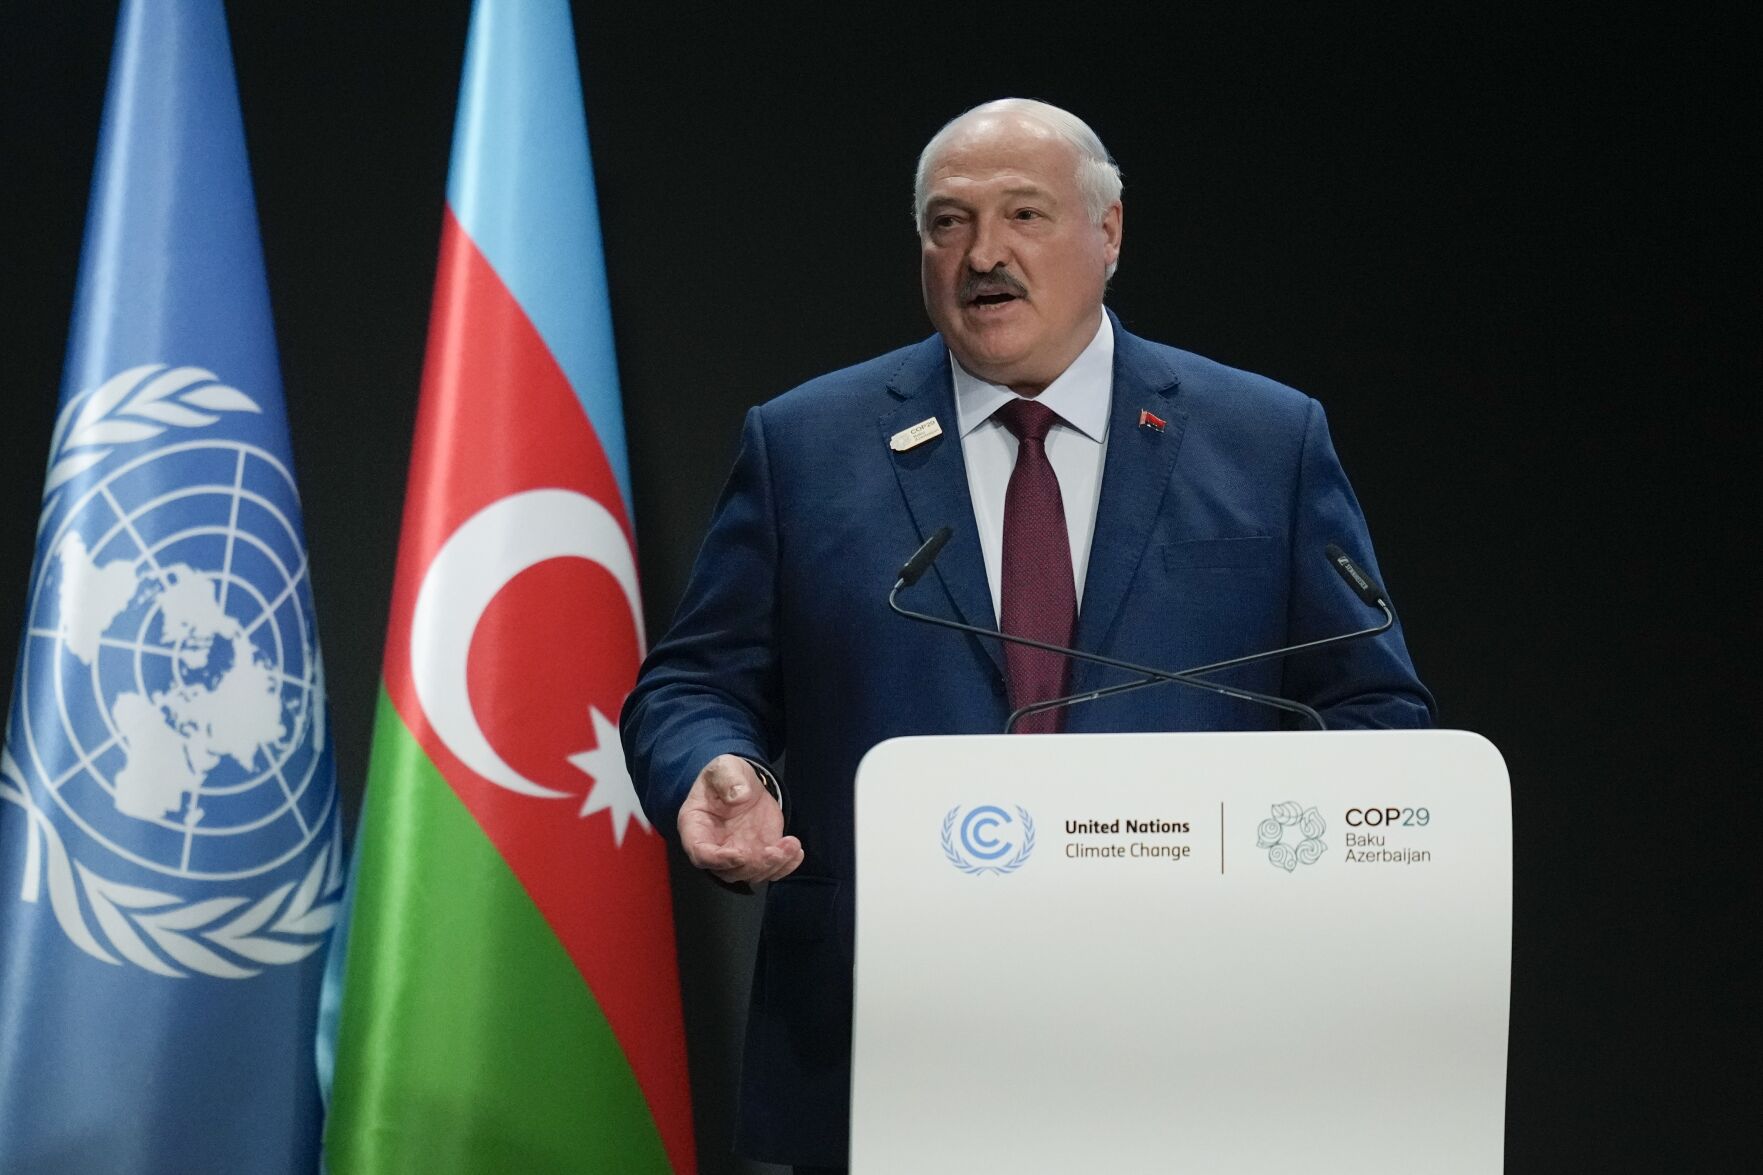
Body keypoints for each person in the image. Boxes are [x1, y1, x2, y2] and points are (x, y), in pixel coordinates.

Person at [621, 97, 1434, 1171]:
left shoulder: (1263, 440)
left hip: (1192, 1041)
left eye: (1024, 215)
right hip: (880, 1042)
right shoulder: (807, 444)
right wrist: (710, 766)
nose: (982, 255)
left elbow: (1371, 706)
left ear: (1108, 234)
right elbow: (692, 681)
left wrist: (1300, 869)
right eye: (947, 223)